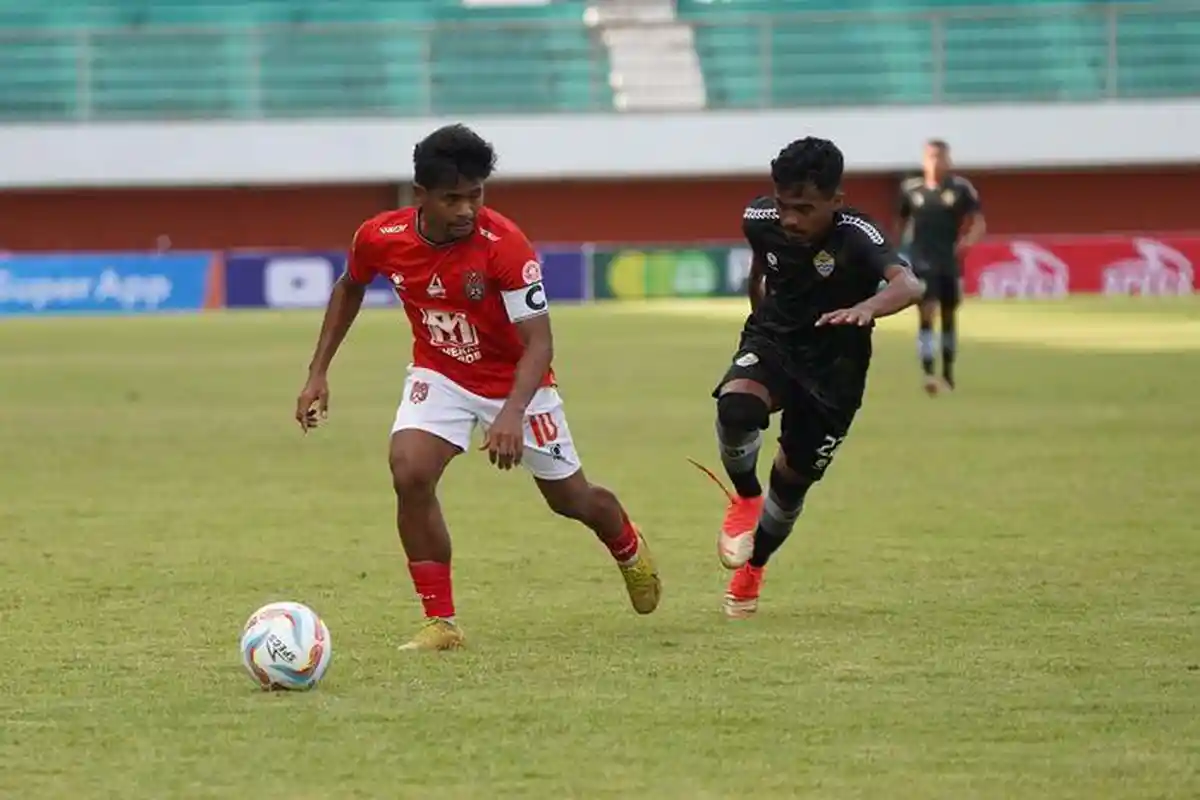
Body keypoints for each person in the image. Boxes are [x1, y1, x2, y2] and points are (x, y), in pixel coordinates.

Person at [294, 124, 661, 651]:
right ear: (420, 196)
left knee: (571, 499)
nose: (467, 209)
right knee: (410, 471)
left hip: (517, 384)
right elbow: (350, 286)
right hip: (440, 373)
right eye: (452, 198)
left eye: (476, 195)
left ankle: (625, 543)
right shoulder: (380, 237)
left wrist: (511, 413)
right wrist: (317, 373)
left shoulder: (505, 246)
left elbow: (540, 343)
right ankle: (441, 622)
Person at [701, 136, 923, 619]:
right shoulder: (760, 221)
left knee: (791, 484)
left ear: (835, 202)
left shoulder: (858, 234)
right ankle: (744, 496)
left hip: (835, 370)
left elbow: (909, 283)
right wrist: (757, 334)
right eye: (783, 205)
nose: (790, 219)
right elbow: (759, 272)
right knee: (736, 408)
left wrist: (866, 308)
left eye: (804, 208)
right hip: (776, 340)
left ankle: (753, 567)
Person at [896, 139, 986, 394]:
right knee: (926, 314)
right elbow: (901, 223)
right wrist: (902, 256)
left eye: (940, 157)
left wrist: (966, 243)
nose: (936, 162)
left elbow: (978, 223)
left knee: (948, 316)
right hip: (922, 262)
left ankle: (947, 374)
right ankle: (928, 372)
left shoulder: (960, 189)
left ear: (948, 160)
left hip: (949, 262)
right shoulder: (911, 190)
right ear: (924, 160)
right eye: (931, 157)